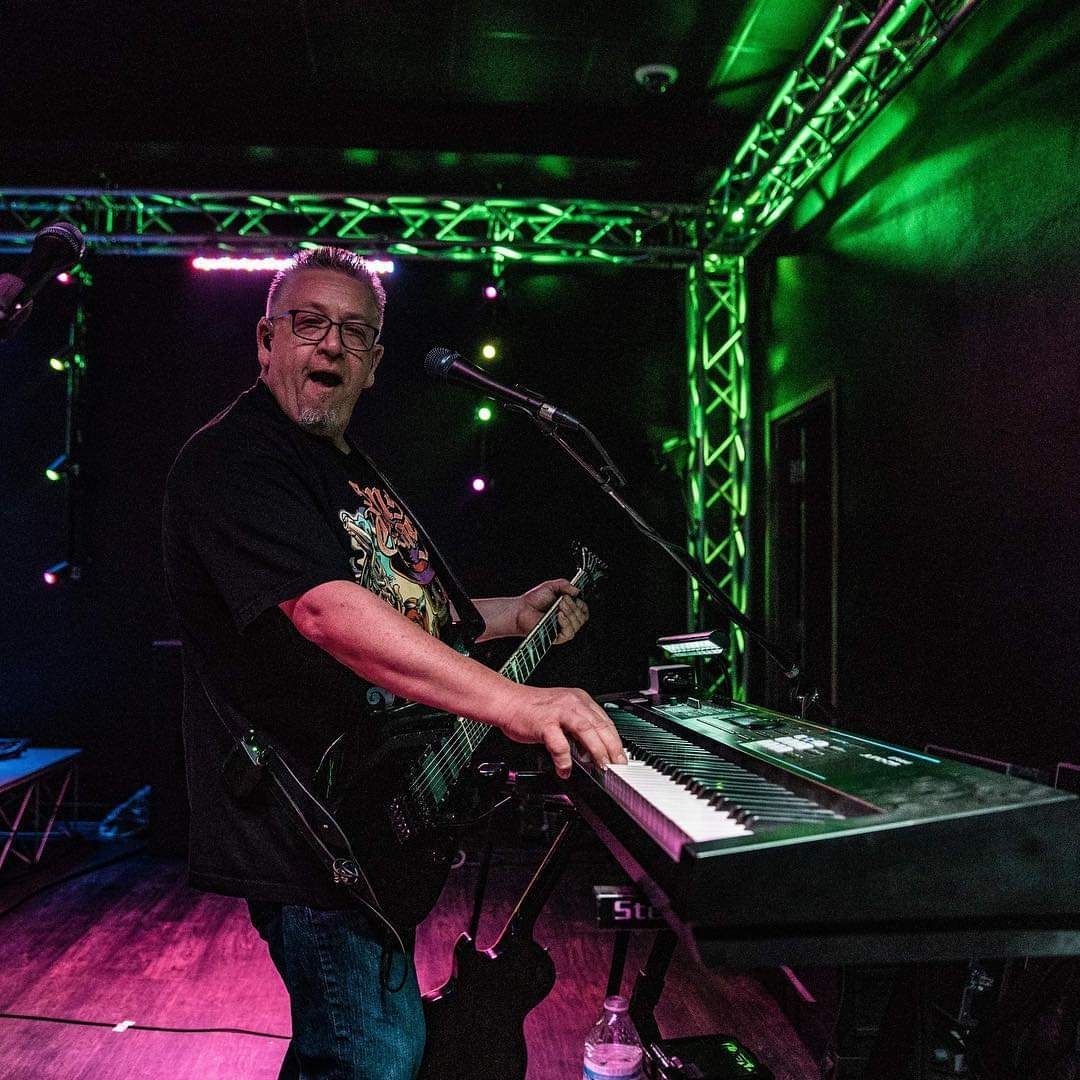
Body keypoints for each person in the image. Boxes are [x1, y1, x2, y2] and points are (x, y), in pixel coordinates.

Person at [162, 246, 626, 1080]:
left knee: (359, 1047)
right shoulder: (238, 458)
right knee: (372, 1054)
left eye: (354, 332)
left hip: (375, 814)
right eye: (309, 323)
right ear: (266, 340)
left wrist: (509, 613)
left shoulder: (353, 474)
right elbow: (325, 611)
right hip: (311, 829)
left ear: (373, 364)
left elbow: (407, 611)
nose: (330, 344)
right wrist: (515, 702)